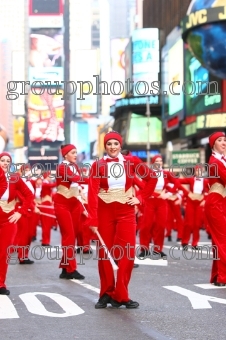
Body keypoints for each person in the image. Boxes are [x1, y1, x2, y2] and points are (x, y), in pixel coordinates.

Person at [87, 131, 158, 309]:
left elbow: (151, 178)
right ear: (105, 146)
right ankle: (106, 293)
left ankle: (122, 294)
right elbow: (92, 194)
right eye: (109, 144)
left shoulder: (132, 162)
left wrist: (140, 198)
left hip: (126, 211)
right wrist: (93, 219)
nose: (112, 147)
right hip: (104, 211)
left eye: (115, 144)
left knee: (127, 252)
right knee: (105, 253)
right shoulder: (97, 165)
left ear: (121, 145)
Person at [0, 152, 34, 295]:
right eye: (2, 160)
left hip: (9, 220)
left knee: (4, 253)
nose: (5, 163)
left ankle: (1, 283)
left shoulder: (14, 178)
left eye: (8, 161)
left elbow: (29, 195)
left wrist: (20, 212)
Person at [139, 154, 185, 258]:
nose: (159, 163)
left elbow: (177, 183)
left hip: (161, 202)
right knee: (146, 226)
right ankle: (144, 249)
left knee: (160, 226)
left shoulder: (166, 173)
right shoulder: (148, 174)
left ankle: (158, 249)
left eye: (160, 161)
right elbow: (142, 186)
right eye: (157, 161)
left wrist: (168, 194)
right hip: (150, 201)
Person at [54, 144, 86, 280]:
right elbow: (75, 179)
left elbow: (76, 184)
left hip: (75, 204)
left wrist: (80, 193)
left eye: (76, 152)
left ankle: (65, 268)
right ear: (65, 154)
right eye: (73, 152)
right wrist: (97, 180)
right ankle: (72, 269)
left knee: (73, 235)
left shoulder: (76, 166)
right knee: (69, 235)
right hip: (63, 204)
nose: (75, 155)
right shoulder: (62, 167)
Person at [205, 132, 226, 286]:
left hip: (221, 202)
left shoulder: (221, 160)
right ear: (213, 144)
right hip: (215, 203)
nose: (224, 143)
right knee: (223, 240)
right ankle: (222, 277)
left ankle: (217, 275)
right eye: (220, 140)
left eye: (225, 140)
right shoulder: (214, 161)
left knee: (219, 241)